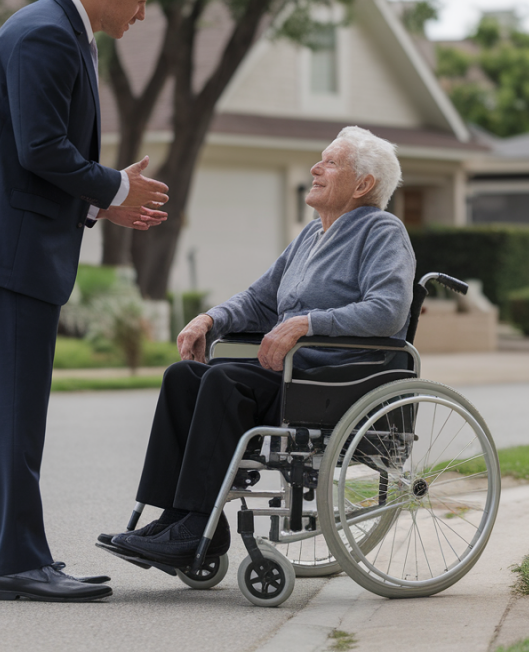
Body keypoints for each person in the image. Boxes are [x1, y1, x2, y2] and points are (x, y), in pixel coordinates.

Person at [0, 0, 169, 602]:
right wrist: (114, 189)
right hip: (12, 250)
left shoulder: (50, 27)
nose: (142, 14)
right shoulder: (47, 35)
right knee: (13, 413)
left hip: (0, 242)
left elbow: (30, 156)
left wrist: (101, 203)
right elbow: (41, 148)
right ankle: (18, 562)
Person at [98, 126, 416, 567]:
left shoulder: (382, 231)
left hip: (333, 380)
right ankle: (177, 518)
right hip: (290, 376)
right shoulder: (311, 235)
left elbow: (389, 310)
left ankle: (195, 525)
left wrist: (307, 323)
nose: (315, 168)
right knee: (183, 376)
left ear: (363, 185)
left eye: (330, 162)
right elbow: (260, 300)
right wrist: (209, 319)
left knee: (225, 380)